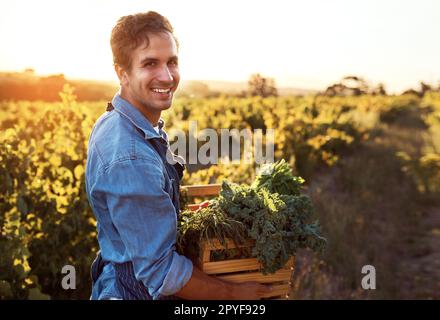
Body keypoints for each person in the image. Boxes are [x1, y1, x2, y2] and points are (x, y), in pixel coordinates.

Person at [85, 11, 272, 300]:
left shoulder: (120, 121)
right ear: (122, 73)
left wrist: (176, 217)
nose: (167, 76)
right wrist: (236, 294)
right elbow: (162, 273)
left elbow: (135, 220)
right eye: (150, 64)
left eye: (172, 62)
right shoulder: (131, 156)